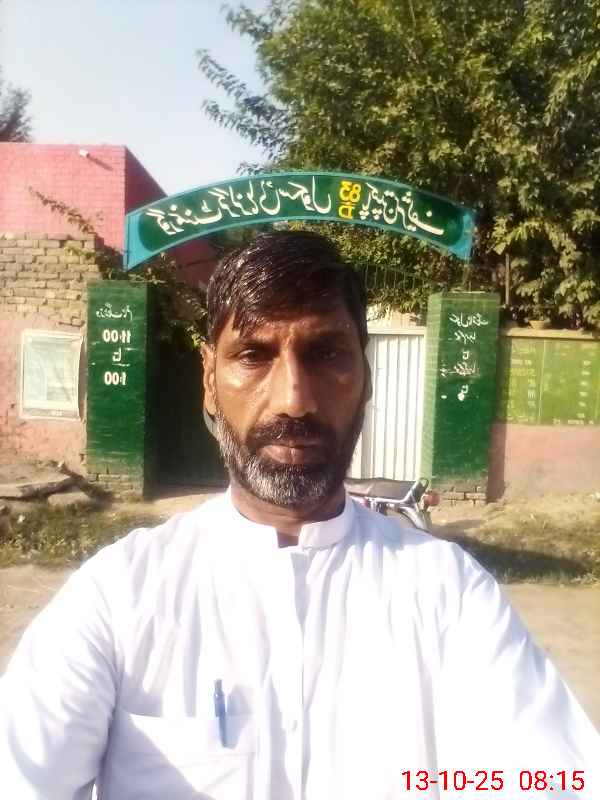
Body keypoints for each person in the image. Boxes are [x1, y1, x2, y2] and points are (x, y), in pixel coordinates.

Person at [0, 230, 598, 800]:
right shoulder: (121, 596)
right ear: (209, 379)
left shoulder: (447, 594)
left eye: (326, 353)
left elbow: (547, 777)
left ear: (366, 377)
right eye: (253, 355)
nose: (294, 400)